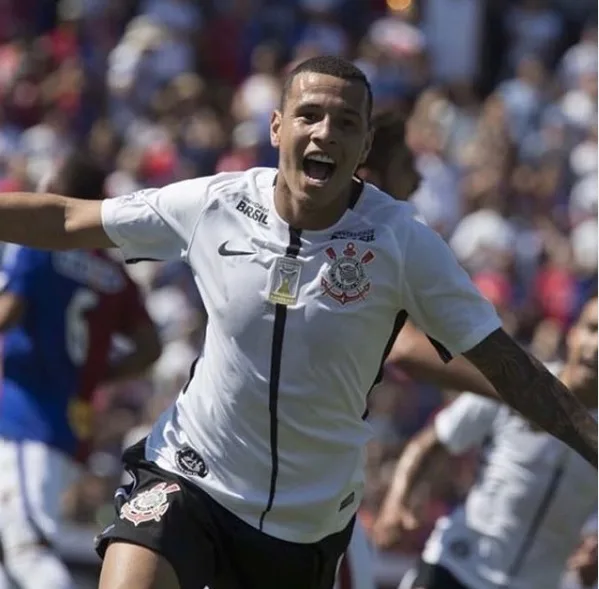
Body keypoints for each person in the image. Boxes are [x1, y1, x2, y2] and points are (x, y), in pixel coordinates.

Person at [0, 55, 595, 589]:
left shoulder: (404, 244)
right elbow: (66, 218)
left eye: (346, 123)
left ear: (364, 148)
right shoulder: (216, 204)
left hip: (303, 526)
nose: (325, 133)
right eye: (309, 115)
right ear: (277, 127)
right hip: (189, 476)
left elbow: (509, 366)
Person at [0, 152, 161, 589]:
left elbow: (8, 311)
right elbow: (151, 347)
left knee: (27, 553)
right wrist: (93, 375)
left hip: (23, 415)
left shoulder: (38, 250)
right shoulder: (114, 275)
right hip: (71, 424)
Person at [373, 295, 598, 589]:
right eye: (592, 328)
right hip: (456, 566)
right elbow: (433, 440)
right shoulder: (520, 380)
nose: (596, 346)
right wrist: (395, 503)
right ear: (572, 333)